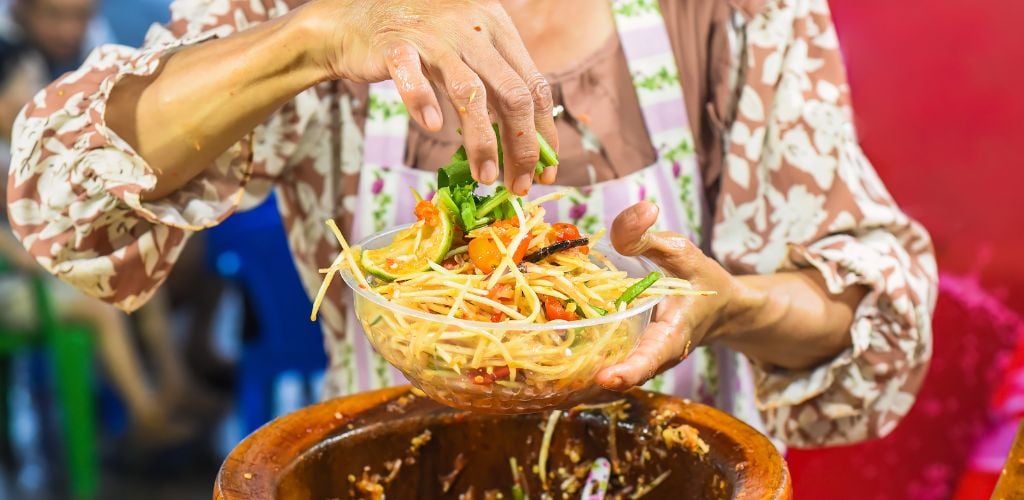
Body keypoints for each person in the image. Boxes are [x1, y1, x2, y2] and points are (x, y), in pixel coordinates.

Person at [6, 0, 937, 448]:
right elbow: (57, 193)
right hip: (390, 469)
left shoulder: (734, 10)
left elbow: (877, 306)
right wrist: (314, 38)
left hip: (670, 471)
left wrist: (736, 305)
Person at [0, 40, 194, 447]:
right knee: (99, 309)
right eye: (28, 82)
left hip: (39, 271)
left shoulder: (23, 148)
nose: (41, 89)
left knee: (138, 270)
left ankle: (175, 383)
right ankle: (146, 414)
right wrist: (62, 262)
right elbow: (15, 250)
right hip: (14, 287)